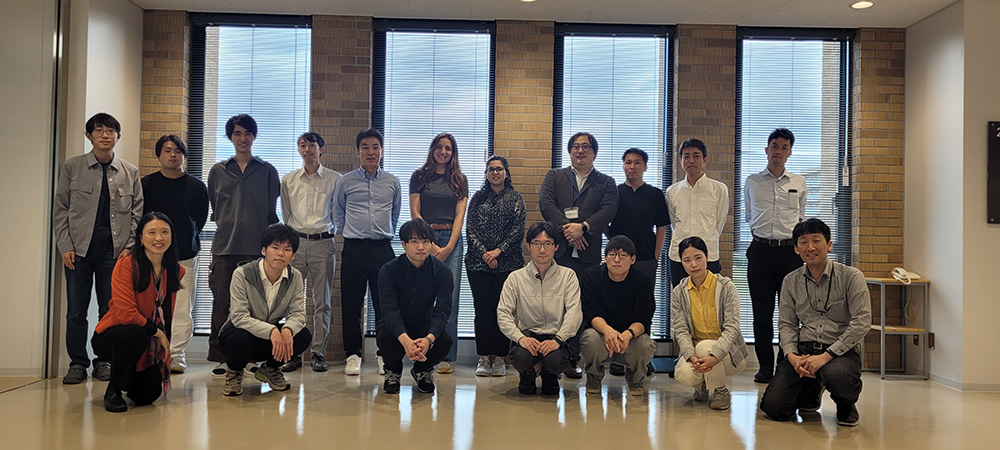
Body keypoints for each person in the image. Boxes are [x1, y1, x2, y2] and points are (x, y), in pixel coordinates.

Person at [53, 112, 143, 384]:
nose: (105, 135)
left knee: (111, 311)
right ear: (89, 135)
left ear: (118, 135)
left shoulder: (130, 171)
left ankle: (104, 360)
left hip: (114, 254)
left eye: (110, 131)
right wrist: (65, 245)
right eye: (99, 130)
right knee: (76, 312)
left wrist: (129, 247)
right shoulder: (72, 167)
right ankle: (77, 363)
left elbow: (137, 213)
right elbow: (60, 209)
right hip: (78, 251)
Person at [759, 218, 870, 427]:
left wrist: (826, 356)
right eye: (803, 242)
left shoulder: (851, 277)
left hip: (839, 351)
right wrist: (792, 356)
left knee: (836, 373)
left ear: (829, 244)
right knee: (773, 407)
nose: (810, 247)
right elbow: (787, 324)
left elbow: (861, 322)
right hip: (804, 350)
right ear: (796, 249)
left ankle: (846, 404)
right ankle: (812, 390)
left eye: (816, 240)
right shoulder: (790, 281)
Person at [539, 132, 619, 379]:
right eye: (575, 146)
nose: (580, 151)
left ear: (594, 152)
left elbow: (609, 210)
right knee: (555, 305)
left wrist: (583, 227)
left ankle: (572, 358)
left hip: (588, 253)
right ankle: (552, 357)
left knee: (580, 306)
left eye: (585, 147)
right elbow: (546, 204)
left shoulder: (606, 182)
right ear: (570, 151)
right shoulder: (555, 176)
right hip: (559, 252)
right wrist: (569, 230)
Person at [206, 114, 280, 377]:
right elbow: (216, 208)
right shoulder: (218, 171)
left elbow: (271, 212)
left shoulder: (267, 171)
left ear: (254, 137)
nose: (243, 138)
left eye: (247, 133)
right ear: (230, 137)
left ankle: (251, 357)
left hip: (257, 251)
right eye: (237, 133)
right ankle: (222, 358)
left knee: (256, 307)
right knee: (222, 304)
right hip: (225, 247)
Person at [92, 212, 182, 412]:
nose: (158, 238)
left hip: (145, 339)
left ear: (171, 237)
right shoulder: (127, 265)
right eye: (152, 232)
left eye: (164, 232)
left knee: (146, 395)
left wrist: (163, 347)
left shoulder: (175, 270)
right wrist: (158, 334)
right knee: (134, 333)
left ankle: (129, 373)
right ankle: (114, 390)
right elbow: (126, 314)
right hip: (113, 335)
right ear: (140, 238)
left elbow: (166, 315)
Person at [333, 128, 402, 375]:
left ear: (381, 151)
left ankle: (384, 354)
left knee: (385, 305)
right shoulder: (345, 181)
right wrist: (349, 232)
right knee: (351, 304)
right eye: (365, 147)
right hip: (354, 248)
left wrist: (384, 232)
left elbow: (395, 213)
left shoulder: (392, 182)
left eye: (375, 147)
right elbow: (338, 213)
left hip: (382, 249)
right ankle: (352, 355)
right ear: (357, 151)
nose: (370, 152)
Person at [140, 135, 209, 374]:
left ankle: (176, 355)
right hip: (151, 256)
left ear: (184, 156)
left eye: (178, 151)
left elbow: (199, 220)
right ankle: (151, 353)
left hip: (185, 254)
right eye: (168, 150)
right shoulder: (146, 184)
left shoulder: (197, 187)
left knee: (181, 308)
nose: (173, 155)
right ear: (158, 155)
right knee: (149, 305)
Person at [218, 224, 312, 397]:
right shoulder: (242, 273)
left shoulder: (295, 277)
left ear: (292, 255)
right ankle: (235, 371)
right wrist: (272, 331)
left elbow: (298, 313)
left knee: (303, 336)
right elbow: (239, 316)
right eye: (275, 248)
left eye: (287, 249)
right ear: (264, 250)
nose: (280, 253)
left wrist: (287, 329)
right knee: (238, 339)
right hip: (241, 333)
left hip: (269, 338)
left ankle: (270, 369)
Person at [743, 128, 806, 383]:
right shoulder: (752, 181)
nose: (778, 151)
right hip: (760, 251)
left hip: (790, 253)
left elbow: (800, 217)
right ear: (766, 149)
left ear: (789, 152)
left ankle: (785, 365)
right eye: (774, 146)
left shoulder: (798, 182)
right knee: (762, 313)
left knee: (788, 313)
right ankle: (765, 366)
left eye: (784, 147)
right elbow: (749, 216)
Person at [279, 132, 341, 372]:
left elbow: (337, 213)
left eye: (311, 145)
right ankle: (293, 353)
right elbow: (286, 214)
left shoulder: (335, 179)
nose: (307, 149)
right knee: (292, 301)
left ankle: (318, 353)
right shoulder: (288, 180)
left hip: (323, 243)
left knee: (322, 302)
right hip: (296, 244)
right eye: (302, 145)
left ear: (321, 149)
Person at [497, 222, 582, 396]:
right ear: (529, 246)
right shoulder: (515, 278)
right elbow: (503, 313)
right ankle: (527, 374)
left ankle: (550, 374)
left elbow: (574, 313)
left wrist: (558, 340)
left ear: (556, 247)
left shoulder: (568, 276)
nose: (542, 249)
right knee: (522, 357)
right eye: (536, 243)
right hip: (527, 336)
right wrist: (520, 338)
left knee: (555, 361)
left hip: (555, 336)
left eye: (547, 244)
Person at [409, 133, 468, 374]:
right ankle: (420, 351)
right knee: (421, 296)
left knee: (448, 299)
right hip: (424, 240)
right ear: (433, 149)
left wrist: (450, 247)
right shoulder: (419, 176)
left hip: (452, 240)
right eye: (440, 147)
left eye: (448, 148)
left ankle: (445, 356)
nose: (443, 152)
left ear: (453, 153)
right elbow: (415, 212)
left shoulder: (459, 179)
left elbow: (460, 215)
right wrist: (429, 242)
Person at [376, 219, 455, 394]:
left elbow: (442, 312)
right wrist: (405, 340)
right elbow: (389, 310)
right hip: (396, 324)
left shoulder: (443, 272)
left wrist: (428, 339)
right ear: (403, 244)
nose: (421, 247)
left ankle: (422, 370)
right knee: (385, 335)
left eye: (425, 241)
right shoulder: (388, 271)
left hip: (423, 324)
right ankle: (392, 371)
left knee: (445, 340)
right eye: (414, 241)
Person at [670, 236, 748, 411]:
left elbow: (732, 327)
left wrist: (714, 357)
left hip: (729, 354)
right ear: (681, 262)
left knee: (705, 346)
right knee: (683, 373)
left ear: (707, 256)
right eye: (687, 260)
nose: (693, 264)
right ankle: (703, 384)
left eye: (698, 258)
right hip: (697, 352)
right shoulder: (679, 292)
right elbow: (681, 330)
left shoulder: (726, 286)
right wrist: (691, 356)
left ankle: (721, 390)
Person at [466, 155, 525, 377]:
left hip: (508, 264)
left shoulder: (516, 198)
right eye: (491, 169)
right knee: (483, 311)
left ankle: (500, 358)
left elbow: (518, 230)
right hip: (478, 264)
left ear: (506, 173)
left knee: (504, 311)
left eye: (499, 169)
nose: (495, 173)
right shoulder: (478, 198)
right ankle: (483, 357)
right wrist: (485, 253)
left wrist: (498, 251)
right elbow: (470, 229)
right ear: (486, 174)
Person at [579, 236, 656, 397]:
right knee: (590, 338)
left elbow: (643, 318)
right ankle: (593, 377)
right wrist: (608, 331)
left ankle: (636, 381)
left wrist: (627, 335)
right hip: (602, 334)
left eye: (623, 255)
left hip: (630, 337)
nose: (616, 260)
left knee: (645, 344)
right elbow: (591, 312)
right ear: (605, 258)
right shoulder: (591, 276)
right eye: (612, 255)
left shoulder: (643, 281)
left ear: (633, 259)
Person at [665, 138, 729, 288]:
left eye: (696, 156)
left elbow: (719, 223)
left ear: (705, 160)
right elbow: (674, 223)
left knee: (709, 299)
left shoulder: (719, 189)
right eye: (686, 156)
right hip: (678, 257)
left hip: (708, 256)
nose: (691, 160)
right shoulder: (672, 191)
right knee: (680, 298)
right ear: (680, 161)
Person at [607, 148, 669, 282]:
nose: (632, 166)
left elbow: (661, 226)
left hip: (646, 257)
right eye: (628, 162)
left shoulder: (655, 194)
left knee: (644, 294)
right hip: (618, 257)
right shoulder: (614, 193)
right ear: (623, 166)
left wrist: (656, 255)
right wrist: (612, 239)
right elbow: (603, 220)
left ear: (645, 167)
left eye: (637, 162)